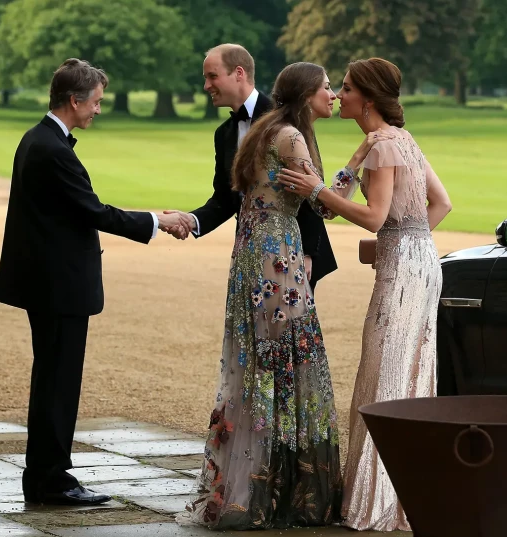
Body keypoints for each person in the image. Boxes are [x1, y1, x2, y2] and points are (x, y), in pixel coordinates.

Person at [176, 61, 391, 530]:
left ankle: (251, 484)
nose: (333, 95)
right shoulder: (291, 136)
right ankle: (284, 492)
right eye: (328, 88)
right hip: (277, 259)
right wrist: (357, 160)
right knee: (286, 363)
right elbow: (326, 204)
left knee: (260, 363)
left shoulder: (267, 129)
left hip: (254, 254)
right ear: (307, 93)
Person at [0, 58, 189, 506]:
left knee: (53, 380)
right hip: (58, 287)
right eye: (95, 101)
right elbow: (93, 211)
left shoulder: (39, 140)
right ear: (74, 100)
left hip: (50, 285)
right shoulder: (51, 148)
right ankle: (52, 480)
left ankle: (44, 475)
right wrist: (158, 220)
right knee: (58, 383)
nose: (98, 109)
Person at [277, 57, 452, 531]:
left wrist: (317, 188)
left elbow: (371, 215)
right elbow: (442, 203)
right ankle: (403, 496)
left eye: (347, 88)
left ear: (367, 100)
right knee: (407, 370)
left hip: (402, 275)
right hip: (421, 263)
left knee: (386, 374)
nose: (338, 95)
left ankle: (378, 505)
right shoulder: (397, 141)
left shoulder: (383, 147)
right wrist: (400, 237)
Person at [164, 44, 337, 290]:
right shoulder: (223, 134)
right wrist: (191, 220)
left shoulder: (284, 118)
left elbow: (308, 184)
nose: (206, 86)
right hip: (251, 248)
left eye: (212, 76)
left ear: (239, 73)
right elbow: (225, 198)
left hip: (294, 251)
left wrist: (307, 252)